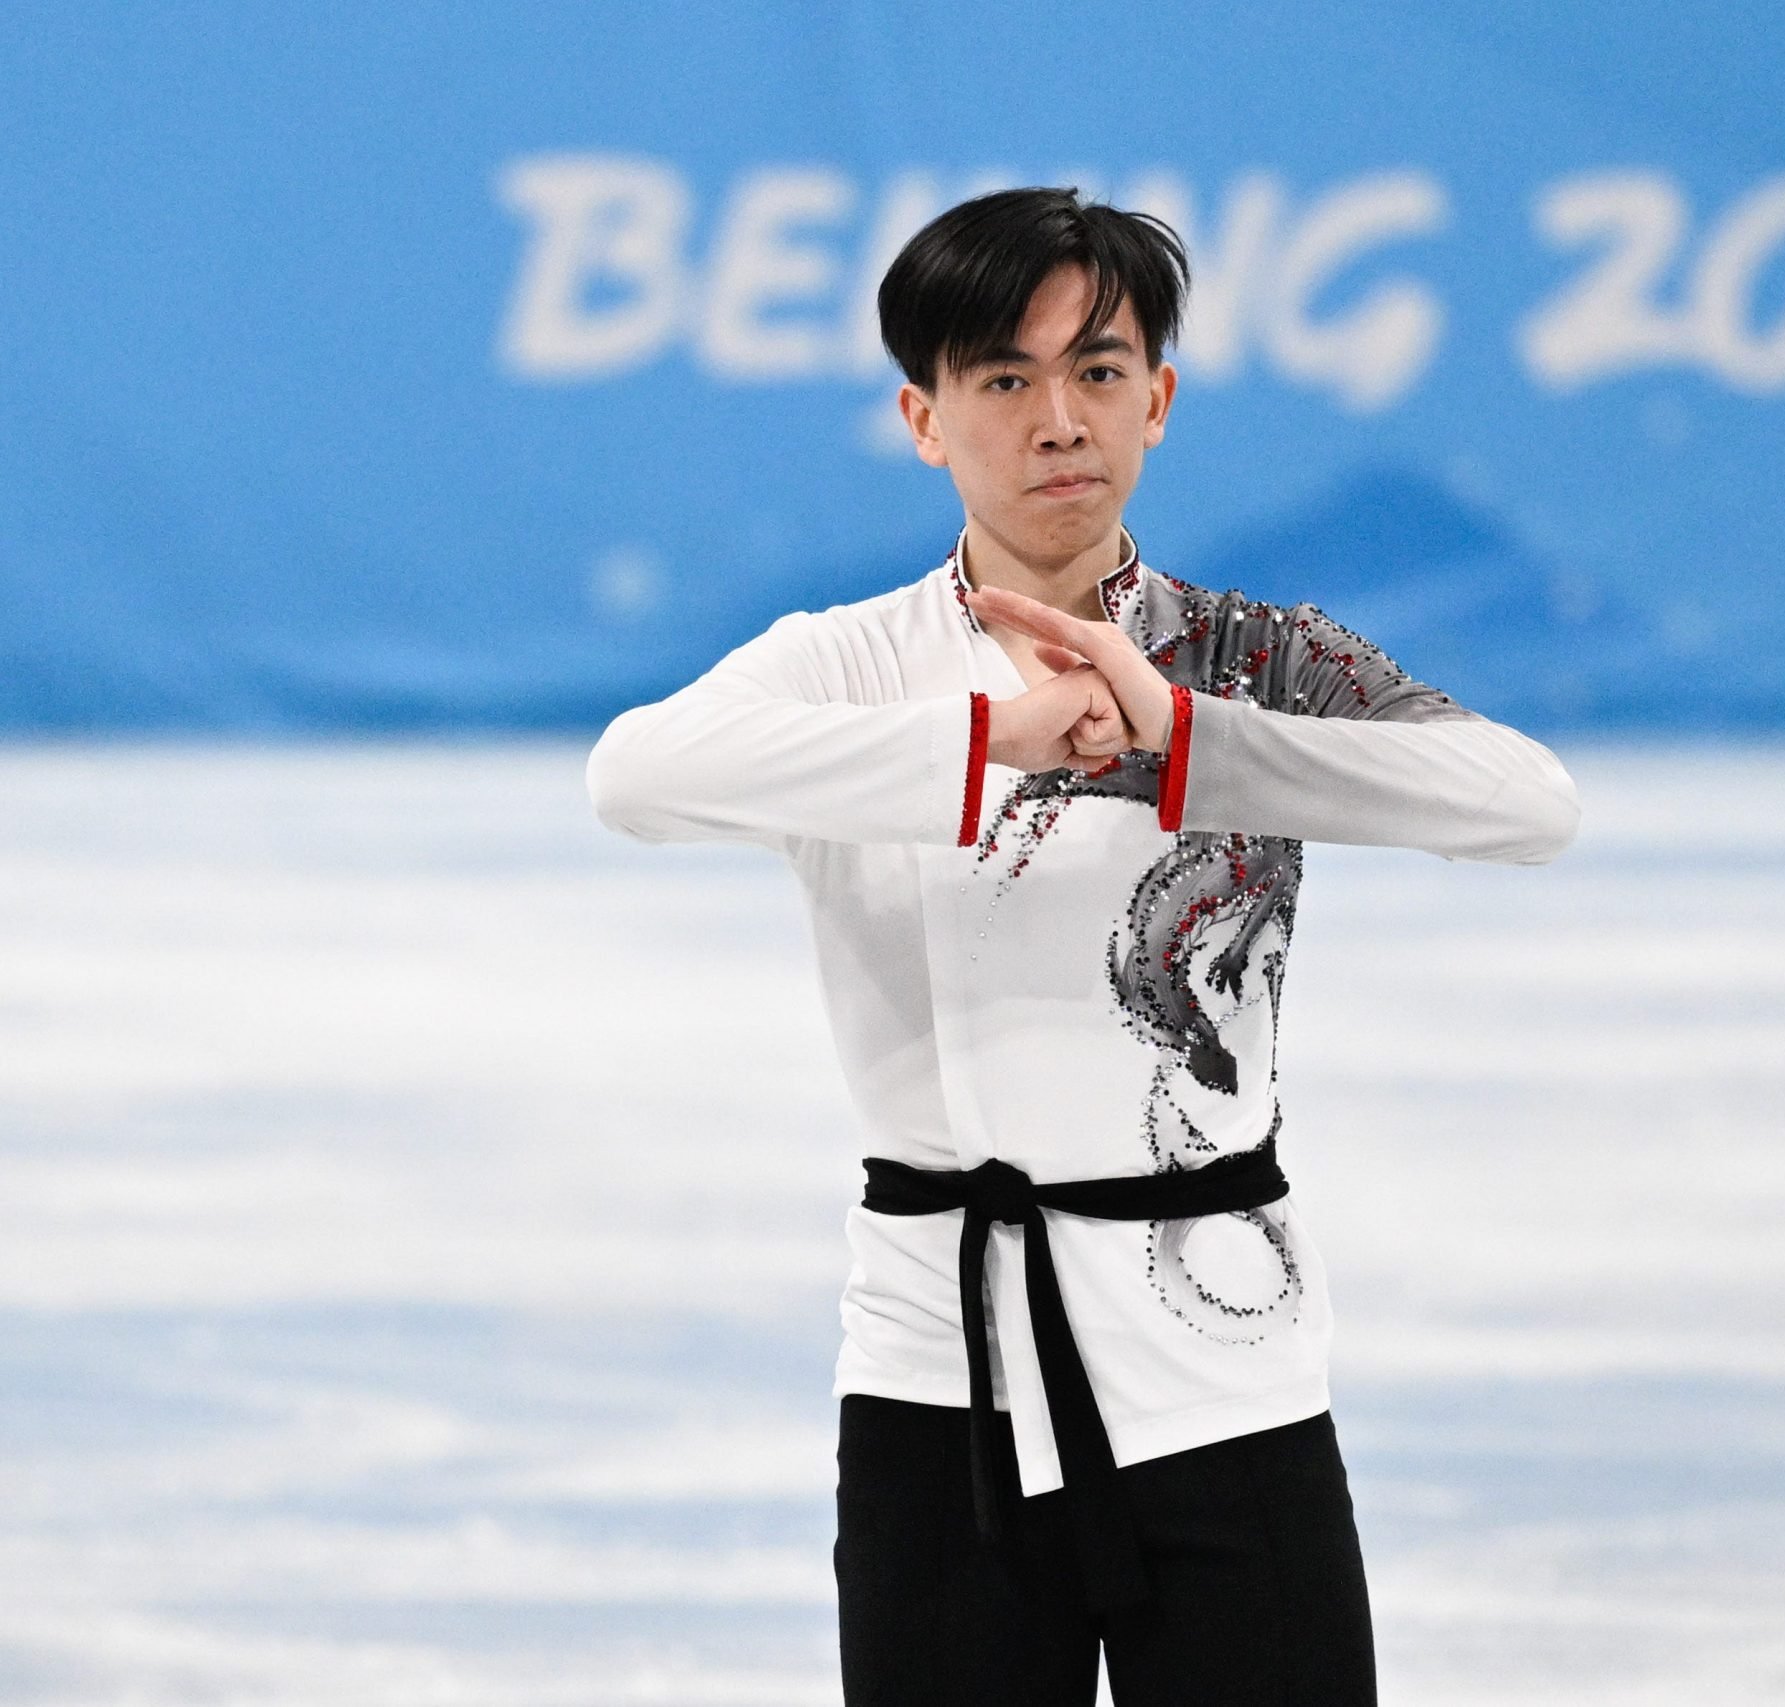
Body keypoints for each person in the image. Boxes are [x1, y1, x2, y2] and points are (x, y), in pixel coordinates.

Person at [586, 186, 1579, 1707]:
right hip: (943, 1371)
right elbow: (636, 777)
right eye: (1004, 379)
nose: (1060, 420)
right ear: (926, 419)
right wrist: (991, 738)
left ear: (1159, 400)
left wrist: (1187, 741)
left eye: (1099, 372)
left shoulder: (1253, 661)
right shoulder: (846, 666)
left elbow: (1525, 803)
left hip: (1224, 1357)